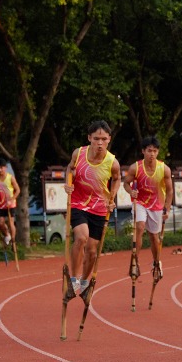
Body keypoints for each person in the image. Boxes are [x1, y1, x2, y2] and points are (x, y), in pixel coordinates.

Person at [64, 120, 121, 295]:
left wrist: (112, 197)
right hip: (78, 203)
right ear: (89, 138)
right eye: (96, 138)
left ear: (109, 139)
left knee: (92, 251)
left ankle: (83, 282)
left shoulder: (112, 162)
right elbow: (70, 168)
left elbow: (117, 179)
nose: (100, 143)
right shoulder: (79, 153)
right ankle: (73, 278)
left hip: (99, 207)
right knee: (81, 237)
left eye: (104, 139)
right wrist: (68, 182)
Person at [122, 136, 173, 277]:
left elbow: (169, 191)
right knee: (139, 227)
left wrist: (167, 209)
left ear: (158, 152)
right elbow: (126, 183)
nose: (152, 154)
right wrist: (131, 191)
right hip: (140, 202)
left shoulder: (164, 169)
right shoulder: (135, 168)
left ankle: (156, 262)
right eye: (149, 151)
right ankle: (134, 261)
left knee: (153, 237)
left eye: (155, 151)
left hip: (156, 205)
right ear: (143, 151)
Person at [0, 158, 20, 248]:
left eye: (2, 168)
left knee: (11, 222)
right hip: (1, 203)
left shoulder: (10, 177)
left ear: (6, 167)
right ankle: (7, 235)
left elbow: (18, 190)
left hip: (10, 203)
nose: (0, 170)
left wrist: (12, 199)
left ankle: (13, 240)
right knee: (0, 222)